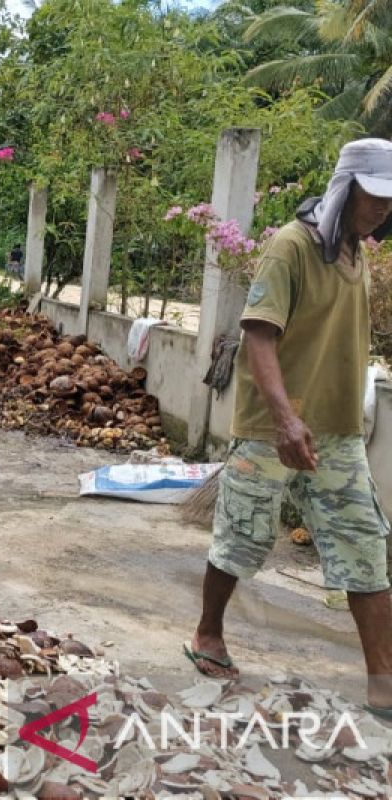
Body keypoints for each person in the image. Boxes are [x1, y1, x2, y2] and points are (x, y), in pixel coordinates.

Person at [188, 138, 392, 718]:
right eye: (373, 197)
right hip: (272, 426)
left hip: (336, 430)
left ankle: (384, 682)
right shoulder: (290, 247)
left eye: (388, 201)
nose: (381, 209)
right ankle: (208, 633)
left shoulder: (356, 255)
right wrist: (284, 418)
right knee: (244, 535)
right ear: (345, 187)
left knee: (364, 546)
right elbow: (258, 333)